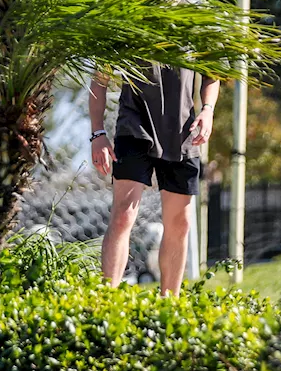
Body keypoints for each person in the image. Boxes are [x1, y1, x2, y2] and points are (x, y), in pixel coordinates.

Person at [90, 61, 218, 295]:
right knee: (123, 216)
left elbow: (213, 74)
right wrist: (97, 133)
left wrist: (208, 110)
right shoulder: (129, 25)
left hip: (183, 132)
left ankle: (168, 305)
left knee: (180, 223)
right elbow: (100, 77)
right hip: (134, 129)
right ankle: (105, 302)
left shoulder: (196, 27)